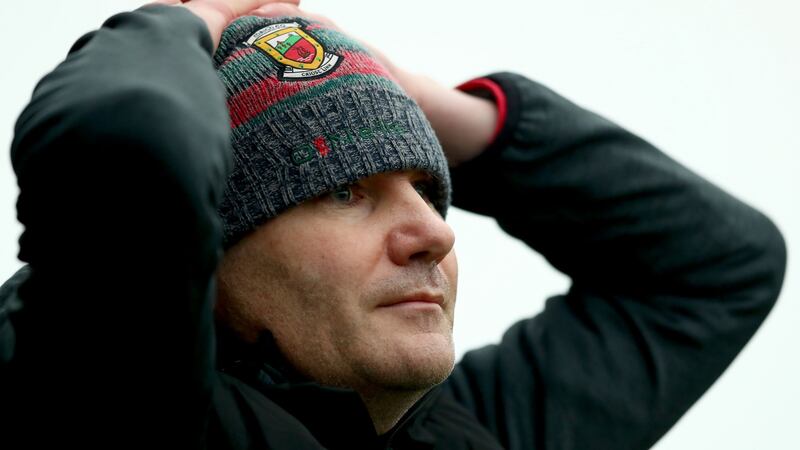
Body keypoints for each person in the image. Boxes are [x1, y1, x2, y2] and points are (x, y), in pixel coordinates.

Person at [0, 0, 786, 449]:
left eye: (427, 188)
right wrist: (198, 15)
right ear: (208, 253)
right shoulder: (101, 396)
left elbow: (717, 266)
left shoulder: (471, 432)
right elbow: (132, 149)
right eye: (346, 193)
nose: (435, 235)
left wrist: (422, 104)